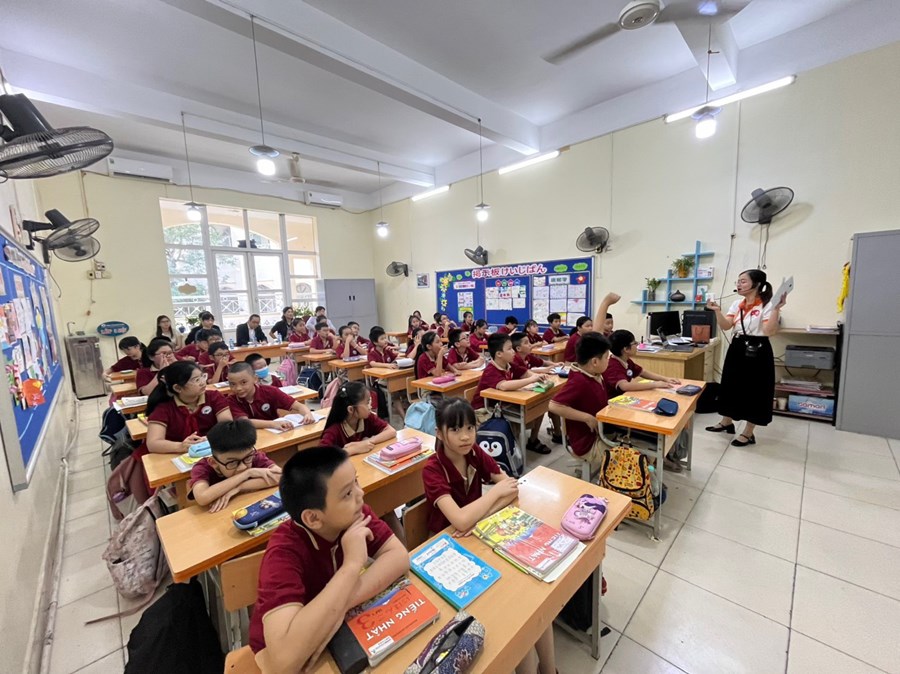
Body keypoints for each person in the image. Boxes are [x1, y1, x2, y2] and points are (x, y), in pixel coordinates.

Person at [421, 397, 555, 674]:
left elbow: (511, 487)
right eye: (455, 429)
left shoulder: (474, 453)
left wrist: (478, 515)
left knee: (534, 600)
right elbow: (459, 520)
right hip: (448, 546)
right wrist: (491, 498)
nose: (465, 436)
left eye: (470, 428)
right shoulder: (432, 468)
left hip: (475, 534)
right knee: (515, 609)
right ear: (439, 433)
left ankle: (550, 669)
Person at [248, 446, 409, 670]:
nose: (360, 494)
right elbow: (282, 661)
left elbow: (399, 557)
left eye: (356, 481)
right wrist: (351, 565)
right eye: (347, 493)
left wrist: (339, 607)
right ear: (313, 518)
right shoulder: (283, 552)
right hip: (288, 653)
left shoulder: (354, 514)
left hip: (336, 635)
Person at [705, 269, 786, 447]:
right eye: (738, 281)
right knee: (730, 384)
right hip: (738, 346)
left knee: (755, 390)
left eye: (743, 281)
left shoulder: (767, 304)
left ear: (756, 284)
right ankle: (726, 422)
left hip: (759, 348)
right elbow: (726, 326)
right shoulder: (737, 304)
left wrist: (776, 309)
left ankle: (748, 432)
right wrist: (717, 311)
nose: (738, 284)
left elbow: (769, 331)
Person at [320, 382, 403, 540]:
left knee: (387, 507)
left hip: (368, 478)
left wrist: (367, 442)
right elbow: (321, 458)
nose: (371, 405)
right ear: (351, 410)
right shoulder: (334, 430)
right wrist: (350, 450)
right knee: (379, 510)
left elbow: (391, 431)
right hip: (347, 489)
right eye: (367, 402)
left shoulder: (367, 418)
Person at [138, 362, 234, 469]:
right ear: (178, 388)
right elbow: (153, 443)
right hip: (176, 458)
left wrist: (210, 439)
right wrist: (181, 446)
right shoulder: (164, 408)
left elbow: (227, 425)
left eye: (203, 377)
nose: (203, 382)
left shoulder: (214, 397)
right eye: (196, 380)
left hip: (210, 452)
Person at [472, 334, 551, 454]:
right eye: (509, 349)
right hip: (485, 410)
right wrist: (531, 379)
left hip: (502, 404)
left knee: (538, 405)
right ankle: (511, 449)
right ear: (499, 354)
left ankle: (533, 440)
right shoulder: (491, 370)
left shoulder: (509, 365)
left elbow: (525, 373)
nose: (513, 351)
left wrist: (537, 376)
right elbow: (504, 385)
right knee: (526, 411)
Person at [188, 419, 281, 511]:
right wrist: (248, 473)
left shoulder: (253, 456)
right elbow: (202, 497)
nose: (243, 467)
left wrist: (239, 487)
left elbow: (280, 477)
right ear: (214, 462)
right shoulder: (202, 467)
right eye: (232, 462)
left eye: (247, 458)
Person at [548, 332, 612, 465]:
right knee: (636, 458)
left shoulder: (594, 373)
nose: (609, 360)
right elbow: (553, 405)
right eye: (607, 357)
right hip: (588, 444)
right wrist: (586, 418)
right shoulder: (579, 381)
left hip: (602, 432)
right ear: (595, 362)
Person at [227, 362, 315, 429]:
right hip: (250, 438)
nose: (238, 388)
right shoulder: (231, 400)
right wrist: (273, 424)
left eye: (243, 382)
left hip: (276, 433)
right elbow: (244, 423)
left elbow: (298, 405)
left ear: (255, 379)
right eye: (232, 384)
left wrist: (308, 414)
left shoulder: (270, 391)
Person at [605, 330, 681, 395]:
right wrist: (654, 384)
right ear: (626, 349)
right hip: (613, 401)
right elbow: (625, 386)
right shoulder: (613, 366)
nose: (637, 344)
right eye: (634, 343)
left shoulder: (626, 360)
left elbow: (642, 372)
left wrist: (665, 379)